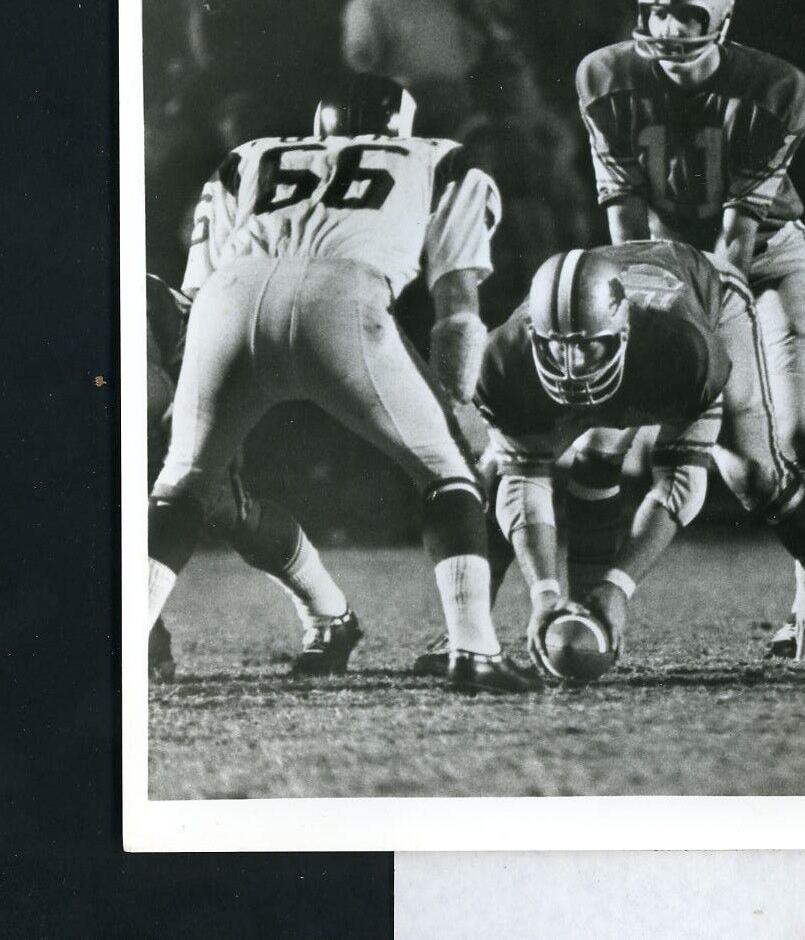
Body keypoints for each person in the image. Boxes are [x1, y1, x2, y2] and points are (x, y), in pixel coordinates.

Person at [147, 73, 540, 696]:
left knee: (183, 483)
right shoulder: (443, 159)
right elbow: (458, 307)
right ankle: (474, 650)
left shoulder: (250, 157)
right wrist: (457, 399)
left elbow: (194, 294)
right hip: (344, 294)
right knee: (448, 471)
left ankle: (119, 641)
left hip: (228, 298)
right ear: (402, 127)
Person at [574, 0, 805, 659]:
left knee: (804, 438)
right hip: (666, 264)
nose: (667, 30)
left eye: (683, 13)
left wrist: (693, 332)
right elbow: (626, 232)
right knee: (698, 452)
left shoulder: (775, 88)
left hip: (764, 261)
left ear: (720, 16)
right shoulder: (603, 77)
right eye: (654, 14)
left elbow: (734, 242)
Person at [474, 242, 805, 674]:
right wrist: (544, 593)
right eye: (555, 347)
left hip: (711, 292)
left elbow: (678, 482)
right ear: (531, 334)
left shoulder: (679, 351)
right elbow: (524, 485)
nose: (571, 366)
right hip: (632, 303)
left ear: (622, 331)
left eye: (588, 347)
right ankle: (472, 630)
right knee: (497, 472)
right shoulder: (504, 358)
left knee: (755, 473)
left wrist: (619, 586)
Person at [146, 272, 359, 681]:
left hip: (197, 356)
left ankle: (330, 614)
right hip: (159, 367)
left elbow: (150, 400)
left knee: (214, 503)